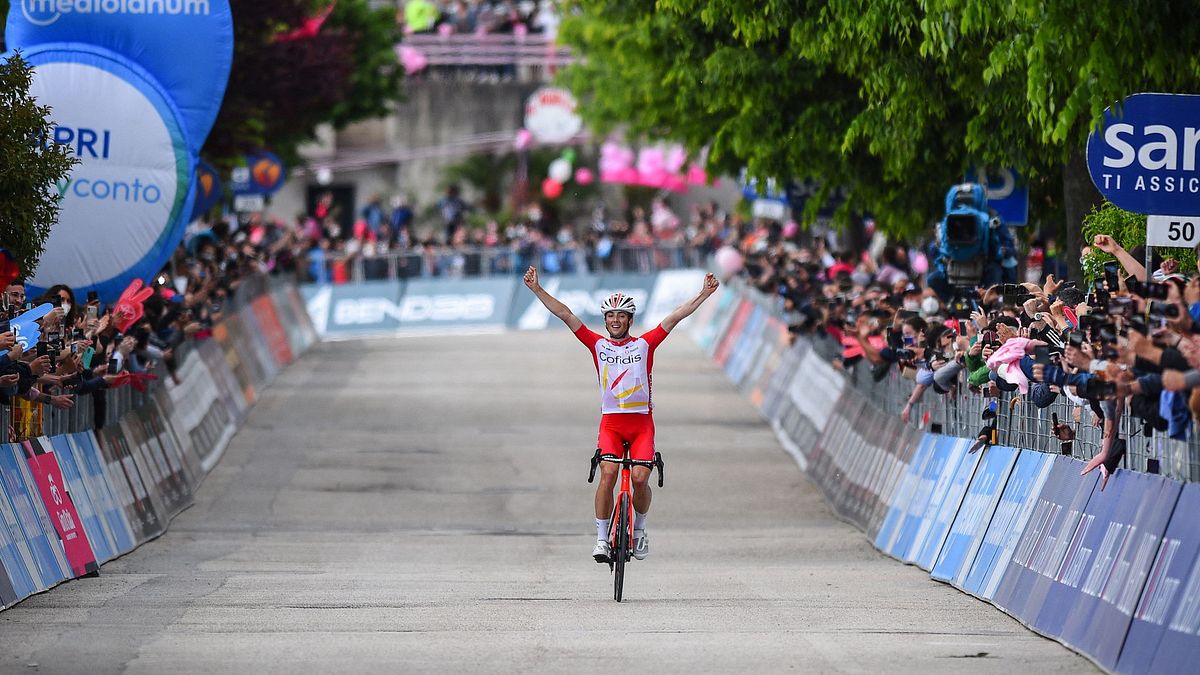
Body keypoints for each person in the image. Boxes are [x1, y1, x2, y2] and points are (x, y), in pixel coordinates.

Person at [523, 266, 720, 563]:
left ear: (630, 319)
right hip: (612, 424)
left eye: (621, 316)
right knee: (609, 473)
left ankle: (639, 530)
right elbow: (565, 315)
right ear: (605, 320)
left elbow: (676, 316)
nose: (615, 321)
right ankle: (601, 537)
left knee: (640, 478)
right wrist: (537, 289)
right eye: (610, 316)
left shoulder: (644, 344)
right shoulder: (597, 344)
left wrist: (704, 294)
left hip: (641, 424)